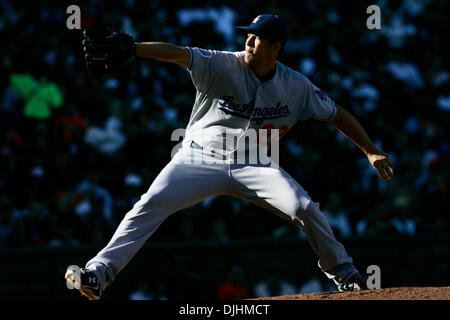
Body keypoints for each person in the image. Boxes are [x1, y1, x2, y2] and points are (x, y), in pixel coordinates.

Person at [65, 14, 394, 300]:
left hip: (255, 163)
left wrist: (370, 150)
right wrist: (136, 49)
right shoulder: (223, 62)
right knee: (151, 202)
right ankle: (99, 274)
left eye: (258, 37)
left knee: (303, 207)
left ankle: (346, 275)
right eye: (248, 35)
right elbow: (179, 54)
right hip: (198, 158)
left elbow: (337, 113)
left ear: (276, 48)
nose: (249, 41)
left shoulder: (296, 86)